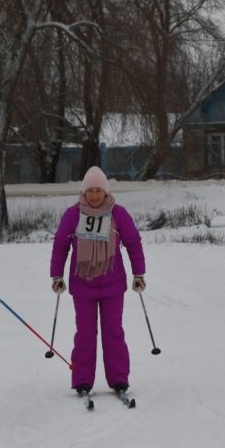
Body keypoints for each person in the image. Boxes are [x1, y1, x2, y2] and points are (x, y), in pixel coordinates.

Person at [50, 166, 146, 396]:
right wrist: (56, 275)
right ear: (84, 192)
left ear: (106, 191)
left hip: (113, 285)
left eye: (98, 191)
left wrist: (139, 274)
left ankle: (119, 378)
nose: (94, 195)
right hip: (82, 285)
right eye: (90, 191)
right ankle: (82, 380)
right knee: (85, 334)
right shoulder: (73, 215)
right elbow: (61, 246)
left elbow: (133, 243)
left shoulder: (118, 214)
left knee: (113, 332)